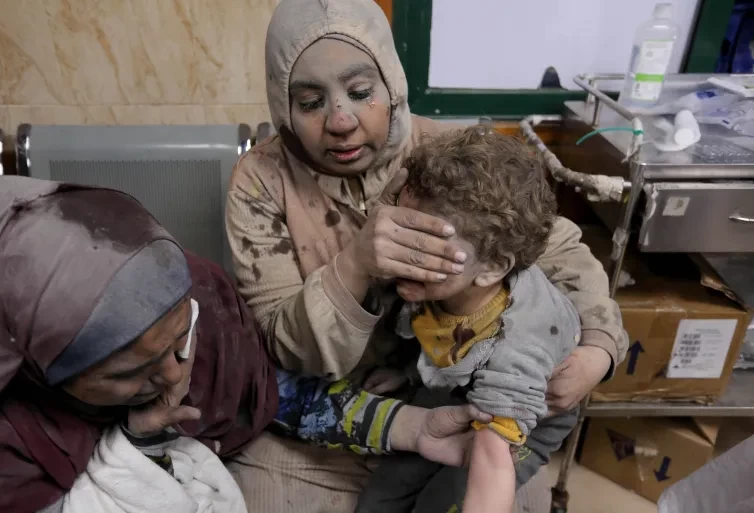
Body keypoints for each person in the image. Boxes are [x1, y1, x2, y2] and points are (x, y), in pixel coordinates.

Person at [224, 0, 628, 511]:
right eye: (309, 102)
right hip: (324, 409)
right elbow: (282, 349)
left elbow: (558, 251)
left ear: (392, 85)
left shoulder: (448, 152)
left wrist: (599, 347)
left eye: (361, 92)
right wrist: (354, 265)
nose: (341, 120)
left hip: (462, 395)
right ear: (284, 109)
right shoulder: (261, 181)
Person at [0, 176, 495, 513]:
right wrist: (137, 444)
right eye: (127, 373)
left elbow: (277, 390)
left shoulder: (201, 298)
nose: (174, 376)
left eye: (180, 339)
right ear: (37, 366)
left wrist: (412, 427)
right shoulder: (3, 444)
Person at [355, 127, 584, 513]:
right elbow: (446, 337)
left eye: (428, 247)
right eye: (403, 231)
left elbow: (493, 462)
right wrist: (411, 373)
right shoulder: (442, 282)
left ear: (492, 267)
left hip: (520, 416)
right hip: (460, 385)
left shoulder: (519, 345)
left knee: (442, 503)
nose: (406, 253)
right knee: (380, 498)